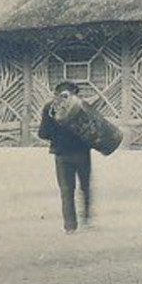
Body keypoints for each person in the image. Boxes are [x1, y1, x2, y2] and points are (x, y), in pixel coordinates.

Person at [38, 81, 92, 233]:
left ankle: (70, 226)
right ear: (75, 93)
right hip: (82, 154)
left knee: (66, 191)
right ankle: (86, 219)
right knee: (85, 187)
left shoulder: (49, 108)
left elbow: (42, 133)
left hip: (61, 154)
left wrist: (56, 135)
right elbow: (95, 131)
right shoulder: (83, 106)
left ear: (57, 93)